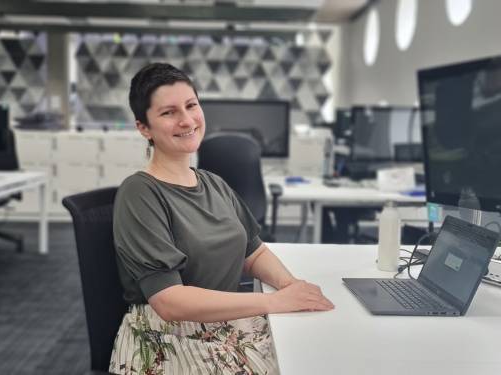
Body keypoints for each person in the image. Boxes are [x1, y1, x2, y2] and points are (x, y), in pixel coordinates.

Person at [110, 63, 334, 375]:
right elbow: (169, 302)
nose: (186, 120)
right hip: (168, 339)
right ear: (143, 128)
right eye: (168, 112)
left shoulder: (213, 183)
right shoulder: (140, 192)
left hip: (225, 326)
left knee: (317, 351)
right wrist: (275, 302)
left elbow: (254, 253)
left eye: (191, 105)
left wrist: (291, 286)